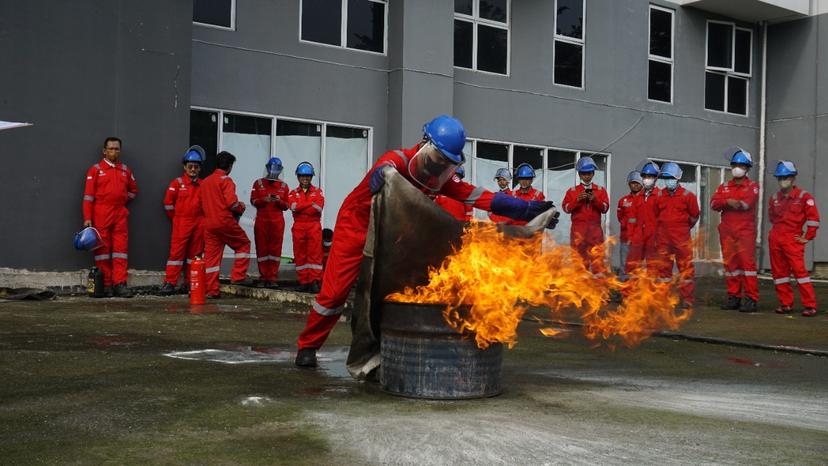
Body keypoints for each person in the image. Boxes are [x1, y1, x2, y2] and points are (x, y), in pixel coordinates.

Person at [294, 115, 556, 367]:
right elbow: (385, 168)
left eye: (446, 162)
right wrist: (382, 174)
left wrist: (524, 209)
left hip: (392, 235)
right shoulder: (398, 159)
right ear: (424, 144)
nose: (439, 165)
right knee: (334, 293)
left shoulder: (438, 179)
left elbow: (480, 196)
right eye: (437, 157)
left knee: (391, 294)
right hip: (356, 227)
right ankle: (308, 346)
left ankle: (384, 349)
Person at [82, 137, 138, 298]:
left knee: (121, 251)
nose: (114, 151)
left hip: (120, 214)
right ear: (104, 150)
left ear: (120, 151)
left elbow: (134, 191)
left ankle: (119, 284)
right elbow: (88, 197)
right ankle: (105, 285)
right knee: (102, 252)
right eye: (111, 148)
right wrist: (87, 217)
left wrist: (120, 199)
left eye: (117, 149)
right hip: (101, 214)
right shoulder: (95, 170)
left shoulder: (125, 170)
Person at [710, 149, 760, 312]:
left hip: (745, 231)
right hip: (727, 231)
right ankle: (734, 297)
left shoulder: (753, 187)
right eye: (735, 165)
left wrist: (726, 202)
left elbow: (745, 204)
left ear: (747, 168)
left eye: (741, 165)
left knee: (747, 265)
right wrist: (728, 201)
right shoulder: (724, 186)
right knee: (731, 265)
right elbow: (713, 204)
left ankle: (751, 298)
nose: (737, 168)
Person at [768, 160, 820, 317]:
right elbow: (772, 218)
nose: (783, 181)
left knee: (800, 272)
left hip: (793, 239)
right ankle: (785, 304)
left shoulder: (804, 197)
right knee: (779, 273)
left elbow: (813, 219)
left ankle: (810, 305)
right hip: (776, 237)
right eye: (780, 178)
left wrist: (808, 236)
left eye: (786, 177)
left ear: (793, 178)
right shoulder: (774, 198)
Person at [201, 151, 253, 299]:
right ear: (229, 166)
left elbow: (201, 204)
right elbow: (232, 203)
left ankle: (212, 290)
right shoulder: (226, 181)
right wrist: (241, 207)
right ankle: (238, 276)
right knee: (243, 244)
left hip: (209, 224)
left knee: (211, 259)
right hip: (224, 221)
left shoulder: (205, 182)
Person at [159, 146, 205, 296]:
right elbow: (167, 204)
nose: (193, 169)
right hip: (181, 222)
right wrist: (176, 219)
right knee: (176, 255)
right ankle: (170, 283)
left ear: (199, 169)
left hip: (199, 223)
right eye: (190, 166)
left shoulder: (204, 185)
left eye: (196, 167)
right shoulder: (177, 183)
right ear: (185, 167)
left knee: (195, 255)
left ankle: (191, 283)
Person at [654, 162, 700, 306]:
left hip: (681, 238)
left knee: (685, 269)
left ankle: (687, 299)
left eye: (671, 177)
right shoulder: (659, 195)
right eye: (666, 177)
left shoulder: (688, 196)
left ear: (678, 178)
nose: (669, 180)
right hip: (663, 239)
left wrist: (683, 227)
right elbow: (656, 215)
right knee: (663, 270)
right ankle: (663, 298)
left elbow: (694, 215)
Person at [562, 157, 610, 276]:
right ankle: (580, 290)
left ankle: (598, 289)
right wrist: (577, 200)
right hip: (578, 232)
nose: (586, 176)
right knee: (579, 263)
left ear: (593, 174)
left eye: (589, 173)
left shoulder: (600, 190)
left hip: (595, 232)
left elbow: (605, 208)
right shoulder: (572, 191)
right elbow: (566, 208)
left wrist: (595, 200)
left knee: (597, 262)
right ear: (579, 174)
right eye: (583, 174)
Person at [251, 157, 290, 289]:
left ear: (280, 171)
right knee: (262, 249)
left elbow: (286, 206)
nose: (274, 172)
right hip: (262, 220)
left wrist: (278, 200)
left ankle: (272, 277)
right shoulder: (258, 183)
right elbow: (253, 201)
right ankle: (263, 277)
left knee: (275, 249)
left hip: (277, 221)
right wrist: (264, 200)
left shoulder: (284, 186)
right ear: (267, 168)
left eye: (277, 170)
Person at [289, 162, 325, 293]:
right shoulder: (292, 192)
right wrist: (310, 203)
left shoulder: (318, 191)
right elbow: (293, 207)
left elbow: (319, 208)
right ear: (298, 177)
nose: (305, 178)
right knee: (300, 255)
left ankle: (315, 281)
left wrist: (301, 206)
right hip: (298, 227)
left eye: (308, 176)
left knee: (315, 255)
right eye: (302, 176)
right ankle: (304, 282)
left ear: (311, 177)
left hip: (313, 226)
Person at [625, 161, 661, 277]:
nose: (647, 179)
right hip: (637, 237)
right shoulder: (638, 197)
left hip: (654, 238)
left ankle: (651, 294)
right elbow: (631, 219)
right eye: (645, 176)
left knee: (653, 268)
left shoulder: (660, 196)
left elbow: (664, 220)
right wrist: (630, 236)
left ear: (655, 178)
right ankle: (630, 294)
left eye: (650, 177)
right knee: (632, 267)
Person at [616, 171, 643, 281]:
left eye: (637, 183)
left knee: (638, 267)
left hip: (640, 239)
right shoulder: (623, 201)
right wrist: (627, 223)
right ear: (629, 184)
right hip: (625, 238)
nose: (635, 185)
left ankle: (637, 292)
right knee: (624, 266)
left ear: (641, 184)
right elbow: (620, 217)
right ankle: (625, 292)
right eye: (633, 183)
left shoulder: (645, 199)